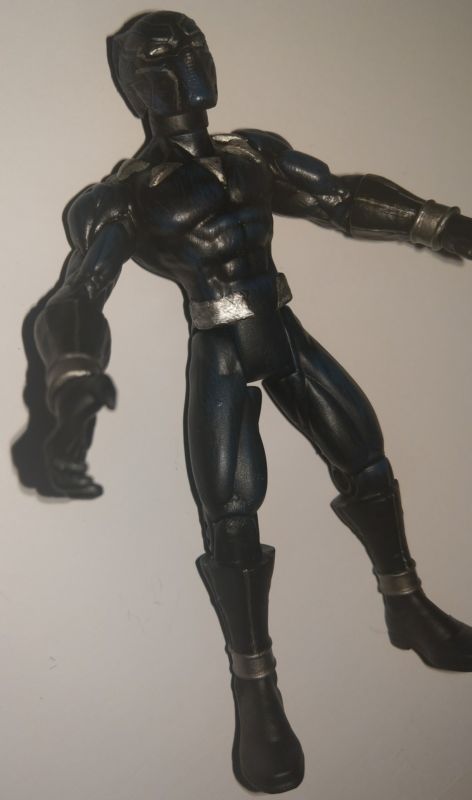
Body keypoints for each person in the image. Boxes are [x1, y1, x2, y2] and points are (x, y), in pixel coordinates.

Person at [32, 11, 472, 794]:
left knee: (364, 457)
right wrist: (69, 377)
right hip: (221, 346)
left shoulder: (253, 153)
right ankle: (255, 687)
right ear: (132, 80)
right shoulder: (121, 197)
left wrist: (441, 225)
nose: (187, 63)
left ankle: (408, 606)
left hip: (281, 326)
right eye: (162, 54)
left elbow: (339, 197)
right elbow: (78, 294)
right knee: (232, 516)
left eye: (193, 45)